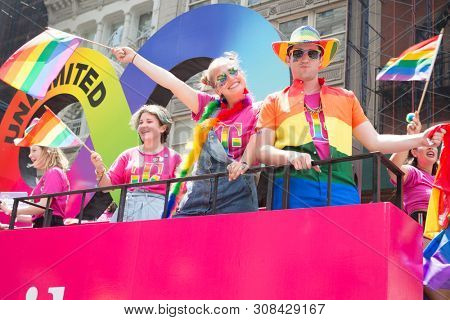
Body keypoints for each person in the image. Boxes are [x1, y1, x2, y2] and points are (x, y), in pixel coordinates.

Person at [257, 25, 445, 209]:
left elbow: (375, 141)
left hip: (342, 187)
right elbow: (262, 150)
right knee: (295, 241)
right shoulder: (273, 101)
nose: (304, 58)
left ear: (320, 59)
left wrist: (420, 138)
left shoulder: (346, 98)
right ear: (289, 59)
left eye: (312, 53)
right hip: (293, 187)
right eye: (297, 53)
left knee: (345, 240)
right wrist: (288, 155)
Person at [112, 47, 259, 216]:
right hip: (198, 197)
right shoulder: (206, 106)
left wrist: (244, 162)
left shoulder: (259, 110)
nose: (231, 78)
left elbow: (259, 139)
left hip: (237, 199)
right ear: (217, 89)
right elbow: (171, 82)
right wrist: (135, 58)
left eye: (233, 71)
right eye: (222, 78)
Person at [90, 104, 182, 222]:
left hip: (158, 210)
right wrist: (99, 168)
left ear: (163, 128)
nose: (143, 125)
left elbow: (180, 193)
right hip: (127, 208)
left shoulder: (174, 157)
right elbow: (106, 187)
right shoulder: (127, 155)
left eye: (149, 121)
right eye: (141, 122)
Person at [0, 144, 70, 228]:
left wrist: (13, 210)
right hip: (45, 223)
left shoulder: (54, 172)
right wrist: (10, 211)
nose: (29, 155)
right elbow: (37, 216)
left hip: (49, 225)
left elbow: (43, 206)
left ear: (47, 151)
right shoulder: (50, 173)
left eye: (34, 150)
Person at [388, 112, 438, 224]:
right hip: (422, 225)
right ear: (414, 152)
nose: (430, 147)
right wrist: (410, 137)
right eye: (425, 144)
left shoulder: (439, 180)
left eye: (433, 145)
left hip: (442, 228)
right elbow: (393, 168)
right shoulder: (414, 173)